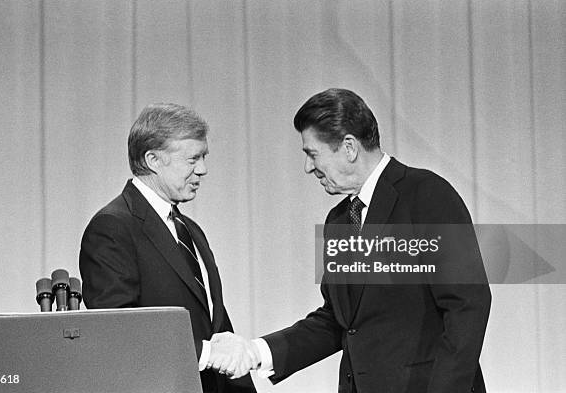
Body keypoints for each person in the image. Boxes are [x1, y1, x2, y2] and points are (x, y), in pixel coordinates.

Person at [208, 89, 491, 392]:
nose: (308, 167)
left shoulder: (427, 195)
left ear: (349, 147)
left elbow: (467, 305)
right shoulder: (339, 220)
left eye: (312, 153)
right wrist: (256, 352)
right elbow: (338, 321)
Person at [79, 103, 257, 393]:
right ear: (153, 159)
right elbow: (117, 331)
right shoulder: (112, 227)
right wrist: (207, 354)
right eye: (192, 159)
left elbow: (216, 324)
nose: (203, 169)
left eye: (204, 157)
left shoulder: (190, 230)